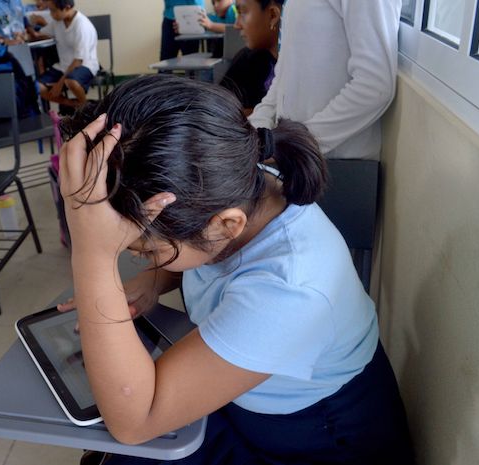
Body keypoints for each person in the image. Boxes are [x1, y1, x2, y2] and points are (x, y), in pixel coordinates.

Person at [57, 75, 414, 464]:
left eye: (148, 251)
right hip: (251, 408)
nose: (139, 257)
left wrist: (91, 255)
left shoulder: (289, 289)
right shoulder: (240, 186)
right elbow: (201, 252)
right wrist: (151, 281)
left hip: (316, 441)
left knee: (122, 448)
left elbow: (135, 420)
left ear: (225, 226)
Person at [249, 0, 402, 160]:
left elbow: (374, 85)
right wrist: (258, 128)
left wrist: (298, 143)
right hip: (291, 153)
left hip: (332, 162)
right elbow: (285, 74)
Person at [220, 0, 283, 115]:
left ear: (272, 15)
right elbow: (221, 110)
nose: (236, 25)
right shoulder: (245, 61)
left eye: (242, 12)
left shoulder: (300, 67)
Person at [35, 0, 98, 108]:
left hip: (85, 64)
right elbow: (40, 34)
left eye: (53, 11)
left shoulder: (82, 26)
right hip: (63, 66)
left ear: (67, 8)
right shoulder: (58, 21)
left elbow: (79, 61)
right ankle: (74, 104)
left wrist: (60, 83)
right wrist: (28, 33)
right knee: (38, 87)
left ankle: (85, 107)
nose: (51, 14)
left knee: (71, 81)